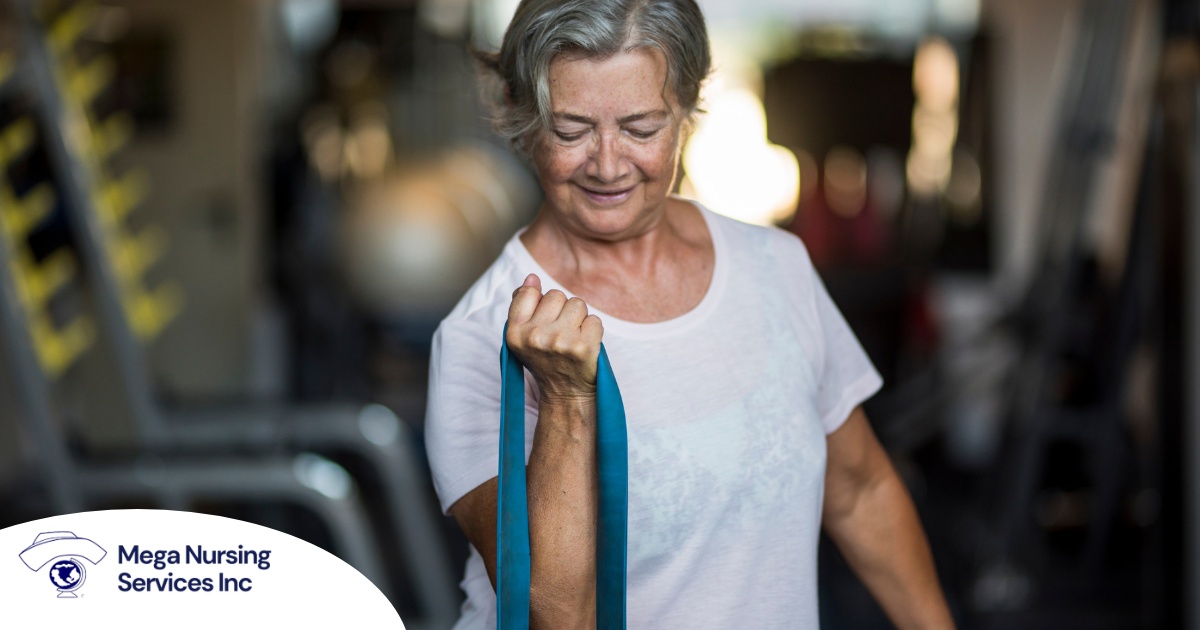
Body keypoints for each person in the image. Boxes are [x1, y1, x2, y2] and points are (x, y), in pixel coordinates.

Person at [424, 0, 955, 627]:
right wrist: (567, 402)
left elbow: (860, 489)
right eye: (570, 130)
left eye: (642, 128)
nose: (608, 163)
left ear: (688, 110)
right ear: (523, 116)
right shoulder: (479, 336)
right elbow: (557, 614)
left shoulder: (774, 266)